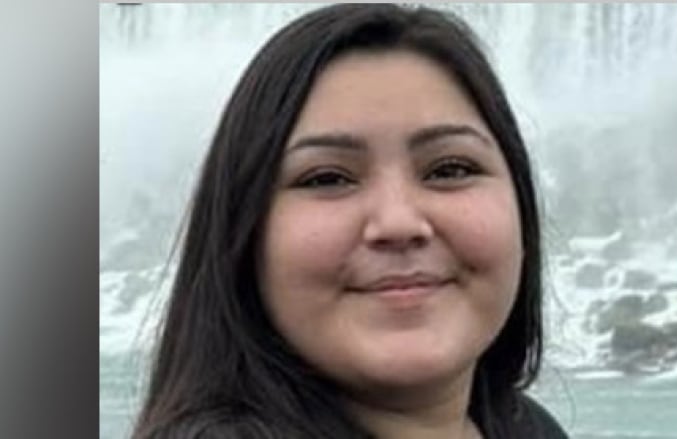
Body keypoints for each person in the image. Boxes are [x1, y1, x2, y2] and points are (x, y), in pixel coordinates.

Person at [132, 4, 568, 439]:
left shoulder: (526, 428)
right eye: (328, 178)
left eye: (450, 169)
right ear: (244, 233)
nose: (398, 222)